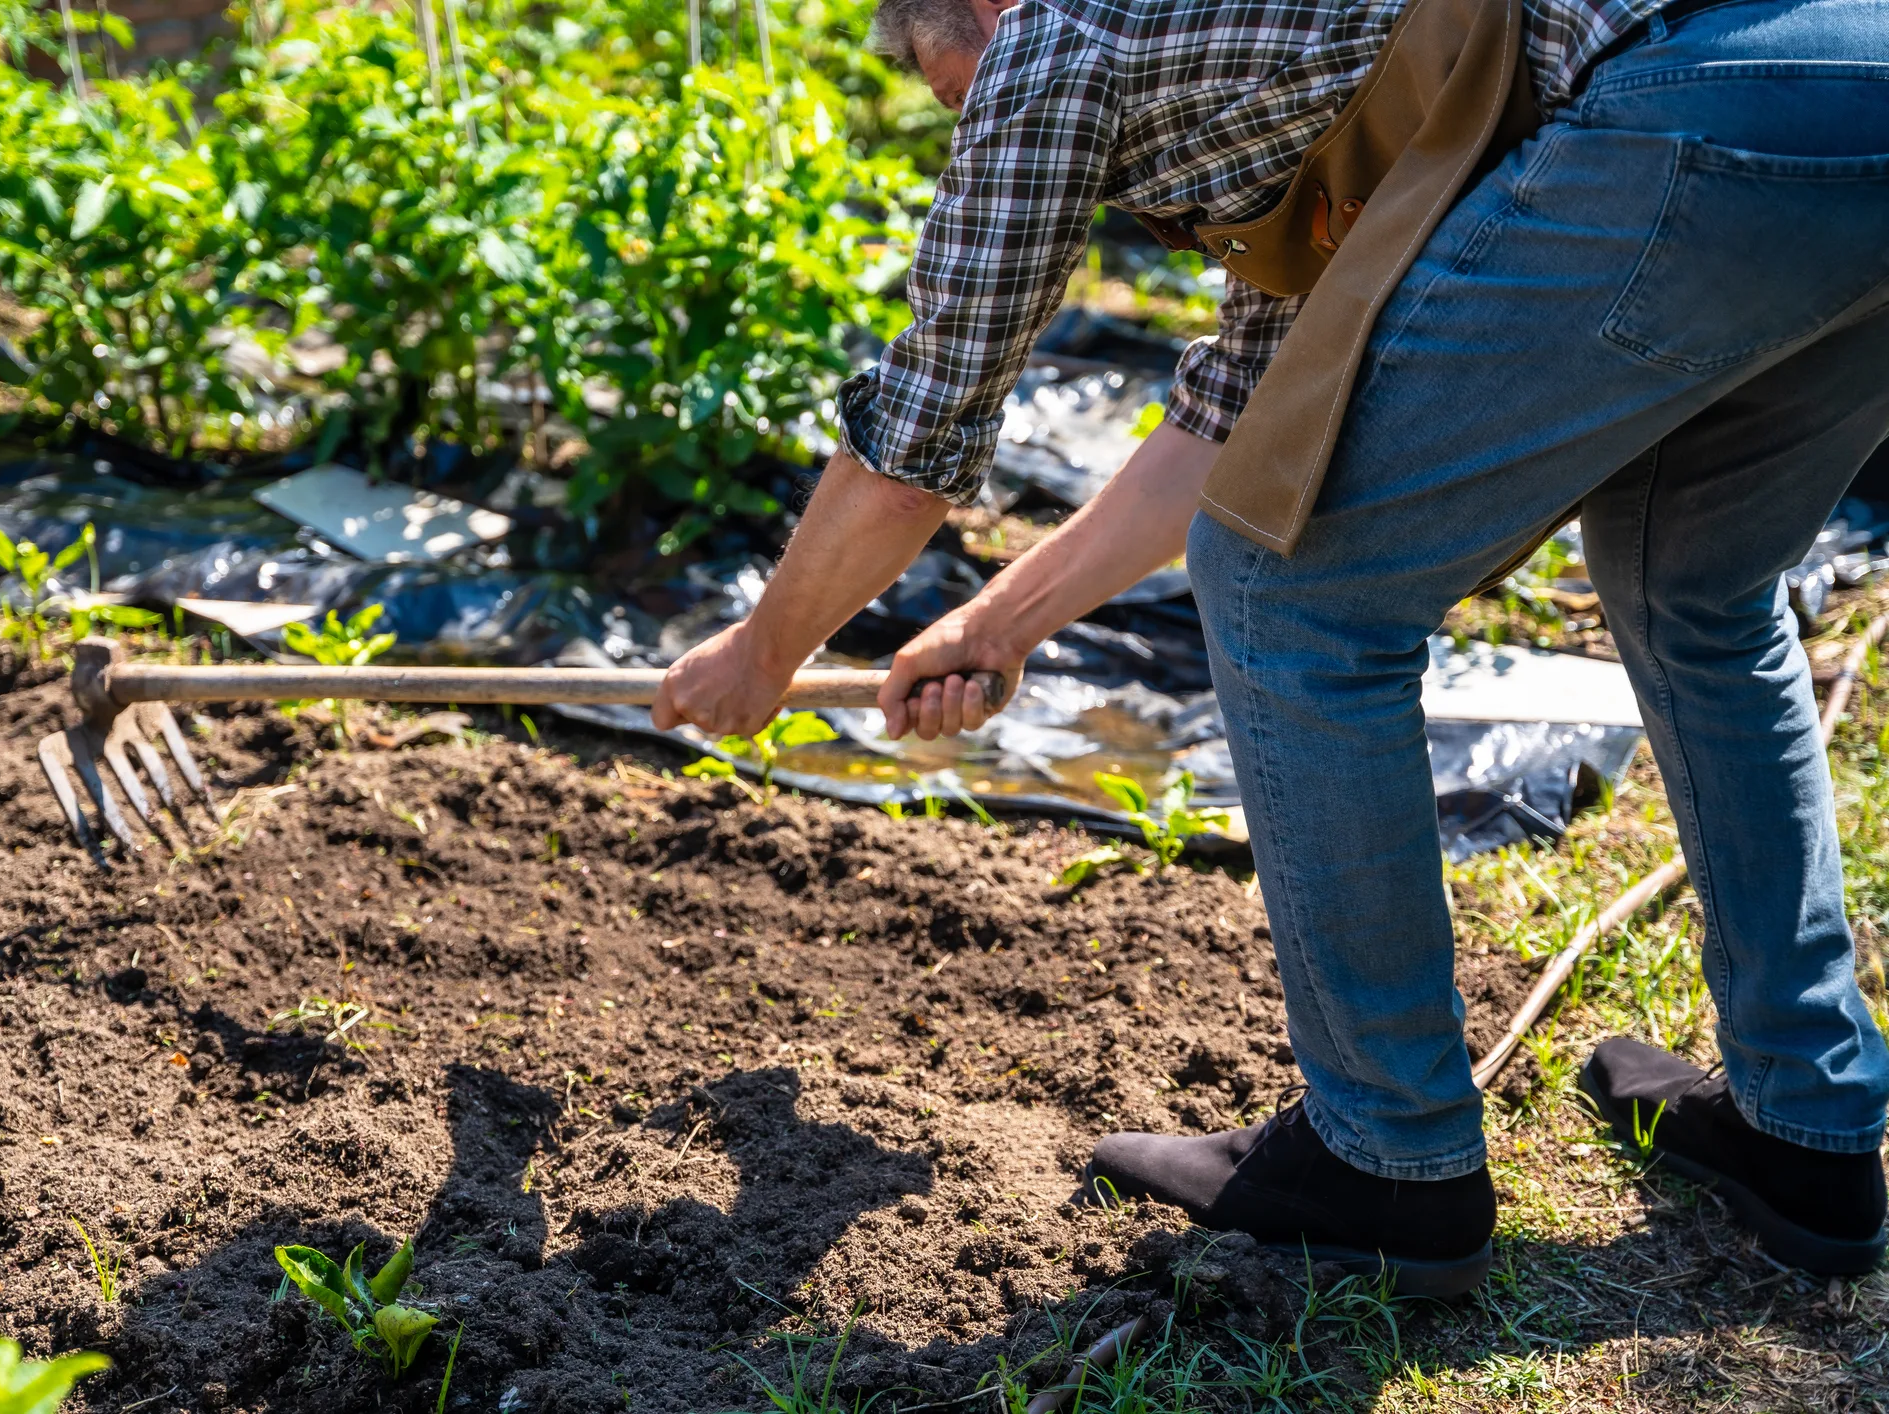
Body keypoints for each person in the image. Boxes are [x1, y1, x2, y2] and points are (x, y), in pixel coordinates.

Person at [652, 0, 1889, 1292]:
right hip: (1855, 70)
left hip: (1691, 102)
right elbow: (1232, 422)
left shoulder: (1048, 43)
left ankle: (1389, 1157)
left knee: (1289, 592)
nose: (967, 118)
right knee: (1691, 578)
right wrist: (996, 620)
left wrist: (764, 651)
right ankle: (1806, 1122)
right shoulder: (1262, 61)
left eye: (945, 82)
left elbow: (915, 444)